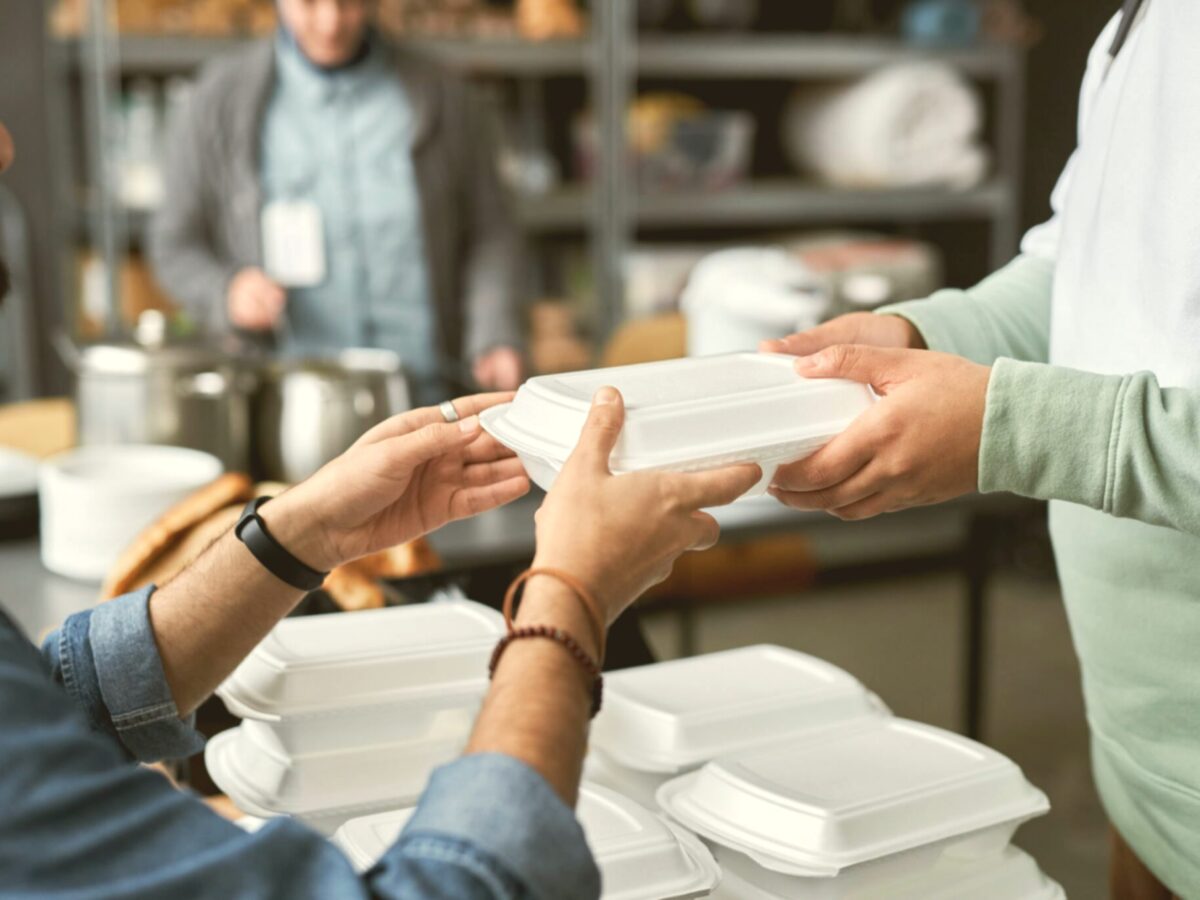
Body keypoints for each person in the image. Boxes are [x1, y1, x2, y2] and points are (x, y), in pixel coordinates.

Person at [763, 6, 1198, 898]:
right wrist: (915, 331)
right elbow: (1080, 264)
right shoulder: (1146, 23)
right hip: (1145, 770)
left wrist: (1011, 430)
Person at [149, 0, 525, 403]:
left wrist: (494, 330)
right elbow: (174, 244)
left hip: (428, 397)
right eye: (309, 3)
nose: (330, 23)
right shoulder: (218, 98)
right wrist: (226, 292)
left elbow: (492, 229)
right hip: (290, 402)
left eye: (349, 3)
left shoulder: (442, 94)